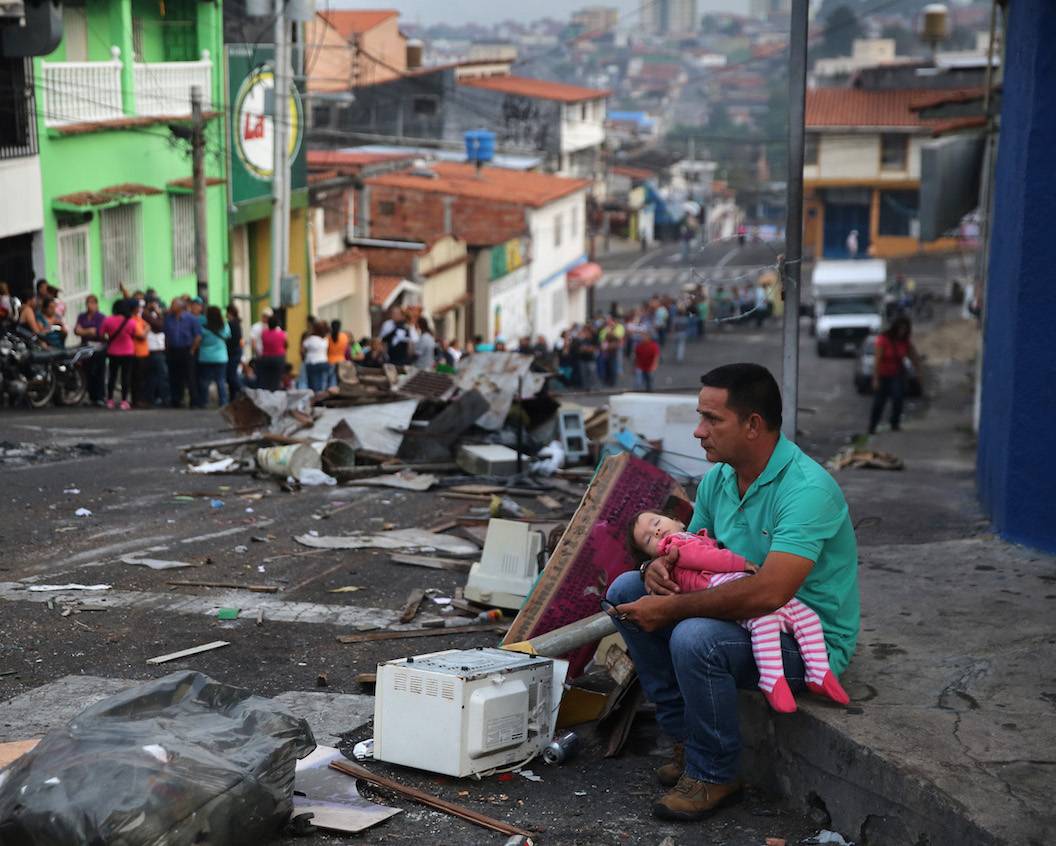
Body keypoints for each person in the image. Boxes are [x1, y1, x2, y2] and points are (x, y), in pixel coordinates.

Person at [606, 364, 859, 821]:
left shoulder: (807, 490)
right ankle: (688, 739)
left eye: (712, 420)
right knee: (625, 588)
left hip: (802, 638)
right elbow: (695, 549)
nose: (699, 432)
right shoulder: (720, 477)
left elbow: (769, 592)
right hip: (741, 618)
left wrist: (671, 608)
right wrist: (658, 566)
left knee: (694, 637)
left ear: (753, 425)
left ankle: (716, 773)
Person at [627, 511, 850, 714]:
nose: (656, 531)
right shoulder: (677, 543)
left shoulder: (691, 536)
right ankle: (772, 679)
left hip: (743, 588)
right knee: (763, 621)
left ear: (678, 520)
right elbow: (707, 558)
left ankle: (819, 672)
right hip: (721, 585)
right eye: (649, 539)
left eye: (656, 522)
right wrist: (743, 563)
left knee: (806, 617)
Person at [869, 316, 922, 434]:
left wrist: (919, 373)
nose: (902, 331)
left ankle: (894, 423)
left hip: (896, 374)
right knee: (879, 402)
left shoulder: (905, 342)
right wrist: (876, 379)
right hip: (883, 374)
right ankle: (872, 426)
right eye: (900, 328)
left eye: (905, 329)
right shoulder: (883, 339)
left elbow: (914, 357)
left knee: (898, 398)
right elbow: (877, 360)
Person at [101, 299, 140, 410]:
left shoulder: (108, 320)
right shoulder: (131, 321)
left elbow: (102, 334)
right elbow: (133, 334)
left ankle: (110, 400)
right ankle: (124, 401)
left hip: (112, 351)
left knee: (112, 376)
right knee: (125, 377)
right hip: (128, 352)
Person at [163, 298, 201, 408]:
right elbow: (166, 334)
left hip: (187, 350)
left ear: (180, 307)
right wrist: (167, 349)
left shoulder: (191, 319)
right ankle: (176, 399)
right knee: (174, 376)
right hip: (173, 350)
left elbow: (198, 336)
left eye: (173, 305)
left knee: (190, 376)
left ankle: (194, 401)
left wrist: (192, 350)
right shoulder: (168, 319)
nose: (171, 307)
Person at [75, 295, 108, 405]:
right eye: (88, 303)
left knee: (99, 372)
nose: (90, 305)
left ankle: (100, 396)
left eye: (92, 303)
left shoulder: (101, 317)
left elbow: (97, 332)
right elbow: (77, 330)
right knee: (87, 371)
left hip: (99, 348)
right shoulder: (82, 316)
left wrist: (84, 331)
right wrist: (88, 331)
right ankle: (91, 396)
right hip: (85, 347)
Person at [196, 305, 231, 408]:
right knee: (221, 380)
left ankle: (204, 401)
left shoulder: (203, 328)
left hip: (205, 357)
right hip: (221, 357)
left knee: (204, 381)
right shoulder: (224, 326)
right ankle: (223, 401)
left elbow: (198, 339)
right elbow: (228, 336)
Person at [143, 297, 168, 407]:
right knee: (156, 377)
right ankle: (154, 399)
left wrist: (158, 313)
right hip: (152, 351)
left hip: (159, 351)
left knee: (158, 377)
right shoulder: (146, 316)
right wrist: (157, 312)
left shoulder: (155, 316)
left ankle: (157, 398)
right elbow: (159, 325)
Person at [130, 299, 150, 407]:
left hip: (143, 353)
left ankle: (140, 399)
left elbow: (147, 326)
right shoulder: (133, 320)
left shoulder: (138, 319)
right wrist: (146, 330)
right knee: (137, 378)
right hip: (137, 353)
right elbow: (142, 335)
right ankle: (137, 400)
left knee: (142, 378)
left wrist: (146, 329)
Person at [302, 319, 329, 392]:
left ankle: (315, 400)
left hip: (312, 362)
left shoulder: (309, 339)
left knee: (313, 385)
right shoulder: (325, 339)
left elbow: (302, 350)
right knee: (323, 384)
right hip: (324, 361)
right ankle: (321, 398)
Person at [225, 304, 244, 400]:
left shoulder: (232, 324)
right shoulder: (236, 323)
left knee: (231, 376)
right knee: (231, 375)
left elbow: (233, 340)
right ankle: (232, 397)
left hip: (233, 353)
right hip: (236, 352)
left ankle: (243, 391)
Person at [326, 319, 350, 386]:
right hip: (342, 361)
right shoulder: (344, 337)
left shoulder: (327, 337)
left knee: (331, 382)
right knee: (341, 381)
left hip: (330, 361)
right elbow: (346, 349)